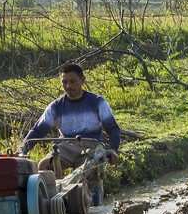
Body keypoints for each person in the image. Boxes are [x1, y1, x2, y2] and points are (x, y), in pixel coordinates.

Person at [20, 62, 121, 205]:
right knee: (44, 165)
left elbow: (113, 128)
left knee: (90, 171)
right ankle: (52, 207)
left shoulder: (97, 102)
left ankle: (95, 209)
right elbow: (38, 130)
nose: (68, 86)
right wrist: (22, 149)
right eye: (64, 82)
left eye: (72, 81)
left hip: (92, 146)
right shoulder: (56, 105)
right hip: (66, 145)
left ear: (82, 80)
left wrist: (113, 150)